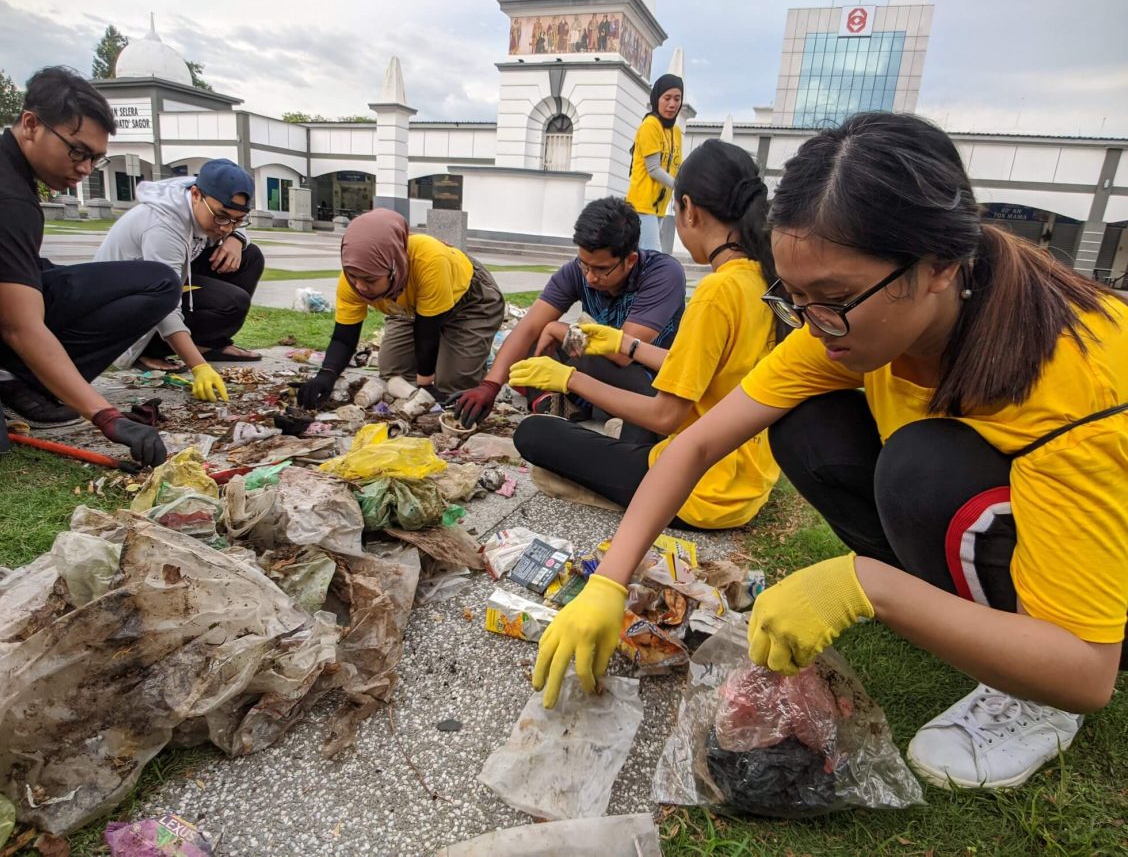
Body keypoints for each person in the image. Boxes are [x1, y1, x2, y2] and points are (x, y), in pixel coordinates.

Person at [533, 112, 1127, 793]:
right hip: (1013, 532)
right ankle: (951, 614)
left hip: (1109, 589)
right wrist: (608, 583)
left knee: (924, 466)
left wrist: (862, 583)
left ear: (938, 265)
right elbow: (695, 441)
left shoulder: (1079, 383)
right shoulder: (840, 329)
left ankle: (1026, 689)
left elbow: (1090, 671)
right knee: (804, 424)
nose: (815, 324)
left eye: (836, 299)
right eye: (797, 298)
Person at [510, 140, 783, 529]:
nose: (591, 277)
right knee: (626, 405)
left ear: (689, 209)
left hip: (694, 490)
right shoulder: (764, 280)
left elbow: (666, 415)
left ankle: (628, 483)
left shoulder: (715, 291)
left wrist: (570, 378)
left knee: (534, 433)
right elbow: (709, 370)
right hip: (745, 483)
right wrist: (625, 343)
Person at [0, 66, 174, 464]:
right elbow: (19, 327)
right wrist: (106, 416)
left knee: (49, 270)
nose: (84, 168)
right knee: (158, 282)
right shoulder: (6, 199)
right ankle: (25, 386)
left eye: (95, 159)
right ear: (31, 124)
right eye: (77, 151)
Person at [450, 197, 685, 441]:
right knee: (534, 337)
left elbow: (623, 353)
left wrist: (560, 329)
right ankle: (570, 403)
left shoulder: (662, 274)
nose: (590, 278)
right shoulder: (576, 271)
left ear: (630, 260)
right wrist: (490, 385)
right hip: (599, 369)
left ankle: (580, 403)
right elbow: (529, 326)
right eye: (585, 265)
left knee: (573, 345)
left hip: (647, 381)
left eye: (602, 269)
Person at [94, 159, 266, 402]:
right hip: (125, 310)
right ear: (195, 195)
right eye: (222, 217)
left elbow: (229, 222)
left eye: (238, 220)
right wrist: (198, 367)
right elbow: (166, 304)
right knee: (231, 303)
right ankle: (148, 351)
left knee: (249, 256)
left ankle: (210, 344)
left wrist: (236, 237)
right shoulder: (163, 226)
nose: (226, 227)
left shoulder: (204, 204)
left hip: (159, 283)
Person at [296, 210, 504, 408]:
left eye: (369, 279)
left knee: (453, 384)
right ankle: (452, 355)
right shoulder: (351, 280)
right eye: (353, 276)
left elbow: (427, 332)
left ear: (395, 267)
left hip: (469, 302)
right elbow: (344, 337)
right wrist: (326, 375)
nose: (359, 286)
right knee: (393, 372)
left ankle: (463, 353)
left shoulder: (429, 259)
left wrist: (425, 387)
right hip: (412, 307)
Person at [627, 74, 683, 252]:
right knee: (653, 255)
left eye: (677, 98)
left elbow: (677, 168)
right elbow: (653, 169)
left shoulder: (676, 131)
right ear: (656, 99)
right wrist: (682, 186)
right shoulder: (650, 125)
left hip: (659, 207)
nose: (672, 104)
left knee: (641, 257)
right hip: (642, 204)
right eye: (667, 98)